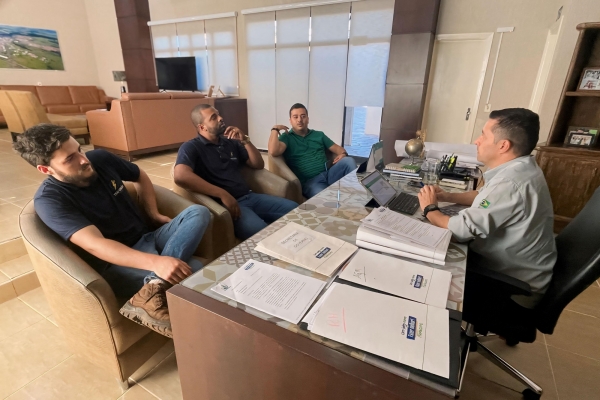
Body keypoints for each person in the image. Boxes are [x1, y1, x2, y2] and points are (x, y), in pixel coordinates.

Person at [14, 124, 211, 337]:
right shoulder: (50, 200)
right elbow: (96, 245)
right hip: (115, 265)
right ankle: (161, 291)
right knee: (194, 268)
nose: (83, 160)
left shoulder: (100, 159)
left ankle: (153, 286)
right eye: (70, 159)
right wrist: (157, 262)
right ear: (46, 169)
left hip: (147, 237)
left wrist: (152, 213)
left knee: (198, 212)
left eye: (79, 150)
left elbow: (140, 175)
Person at [417, 108, 556, 309]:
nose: (477, 141)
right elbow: (483, 197)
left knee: (423, 272)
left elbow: (457, 232)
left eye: (483, 135)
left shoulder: (510, 183)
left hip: (511, 288)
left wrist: (429, 208)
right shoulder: (521, 168)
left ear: (503, 145)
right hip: (517, 271)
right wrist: (447, 196)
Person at [174, 104, 298, 240]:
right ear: (202, 127)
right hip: (231, 206)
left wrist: (245, 140)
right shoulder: (191, 147)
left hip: (250, 196)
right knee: (262, 234)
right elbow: (180, 175)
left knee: (295, 210)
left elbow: (258, 164)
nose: (220, 118)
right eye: (214, 117)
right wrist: (222, 193)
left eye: (218, 114)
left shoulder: (230, 143)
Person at [268, 103, 357, 198]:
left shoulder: (319, 135)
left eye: (303, 116)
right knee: (327, 198)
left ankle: (357, 195)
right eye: (295, 117)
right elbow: (273, 151)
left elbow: (340, 149)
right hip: (310, 183)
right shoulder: (287, 137)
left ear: (308, 119)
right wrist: (275, 129)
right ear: (290, 121)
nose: (299, 120)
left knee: (349, 161)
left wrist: (343, 154)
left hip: (328, 174)